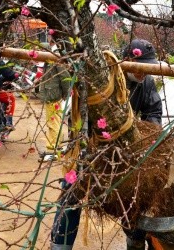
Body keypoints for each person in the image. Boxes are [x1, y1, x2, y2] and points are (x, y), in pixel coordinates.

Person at [50, 39, 163, 250]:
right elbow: (78, 119)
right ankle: (59, 245)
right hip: (92, 145)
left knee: (138, 191)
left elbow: (154, 111)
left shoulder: (146, 82)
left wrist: (148, 133)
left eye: (149, 67)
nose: (144, 72)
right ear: (128, 61)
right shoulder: (102, 78)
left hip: (127, 147)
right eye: (141, 67)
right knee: (71, 192)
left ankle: (135, 241)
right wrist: (89, 146)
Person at [38, 43, 72, 159]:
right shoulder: (48, 62)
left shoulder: (55, 60)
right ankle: (54, 148)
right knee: (54, 122)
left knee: (53, 123)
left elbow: (65, 78)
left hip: (53, 97)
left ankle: (53, 150)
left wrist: (66, 94)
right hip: (52, 96)